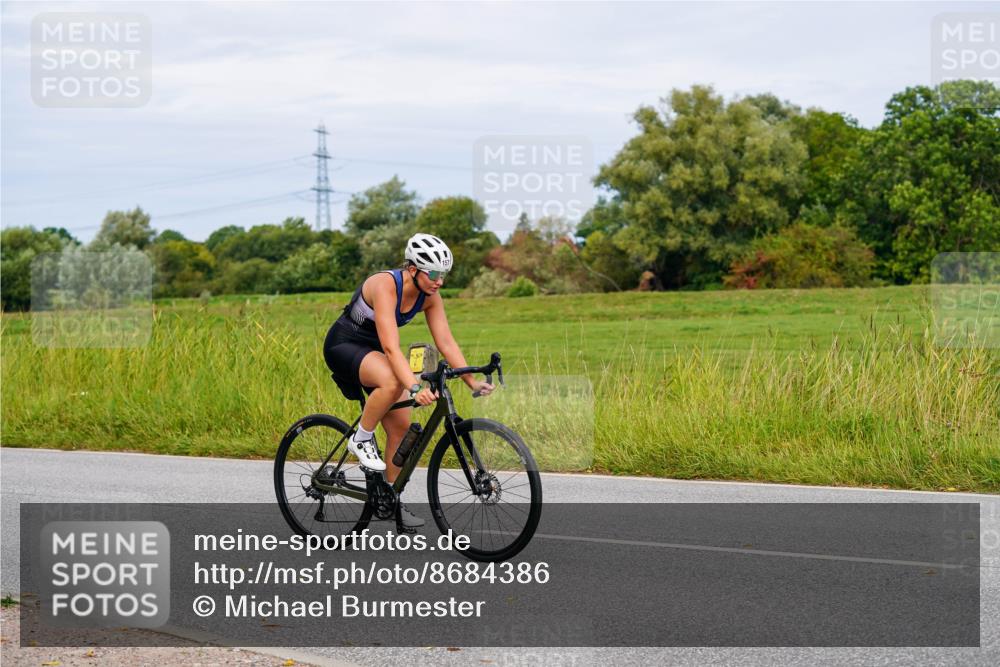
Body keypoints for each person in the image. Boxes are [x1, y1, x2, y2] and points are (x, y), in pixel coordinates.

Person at [323, 233, 494, 528]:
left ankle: (390, 501)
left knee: (401, 427)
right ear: (413, 269)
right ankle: (360, 439)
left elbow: (447, 343)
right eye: (434, 274)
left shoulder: (430, 297)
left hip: (375, 352)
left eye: (444, 274)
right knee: (392, 381)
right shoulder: (385, 285)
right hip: (345, 345)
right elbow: (391, 347)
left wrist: (471, 382)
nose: (439, 281)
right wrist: (414, 386)